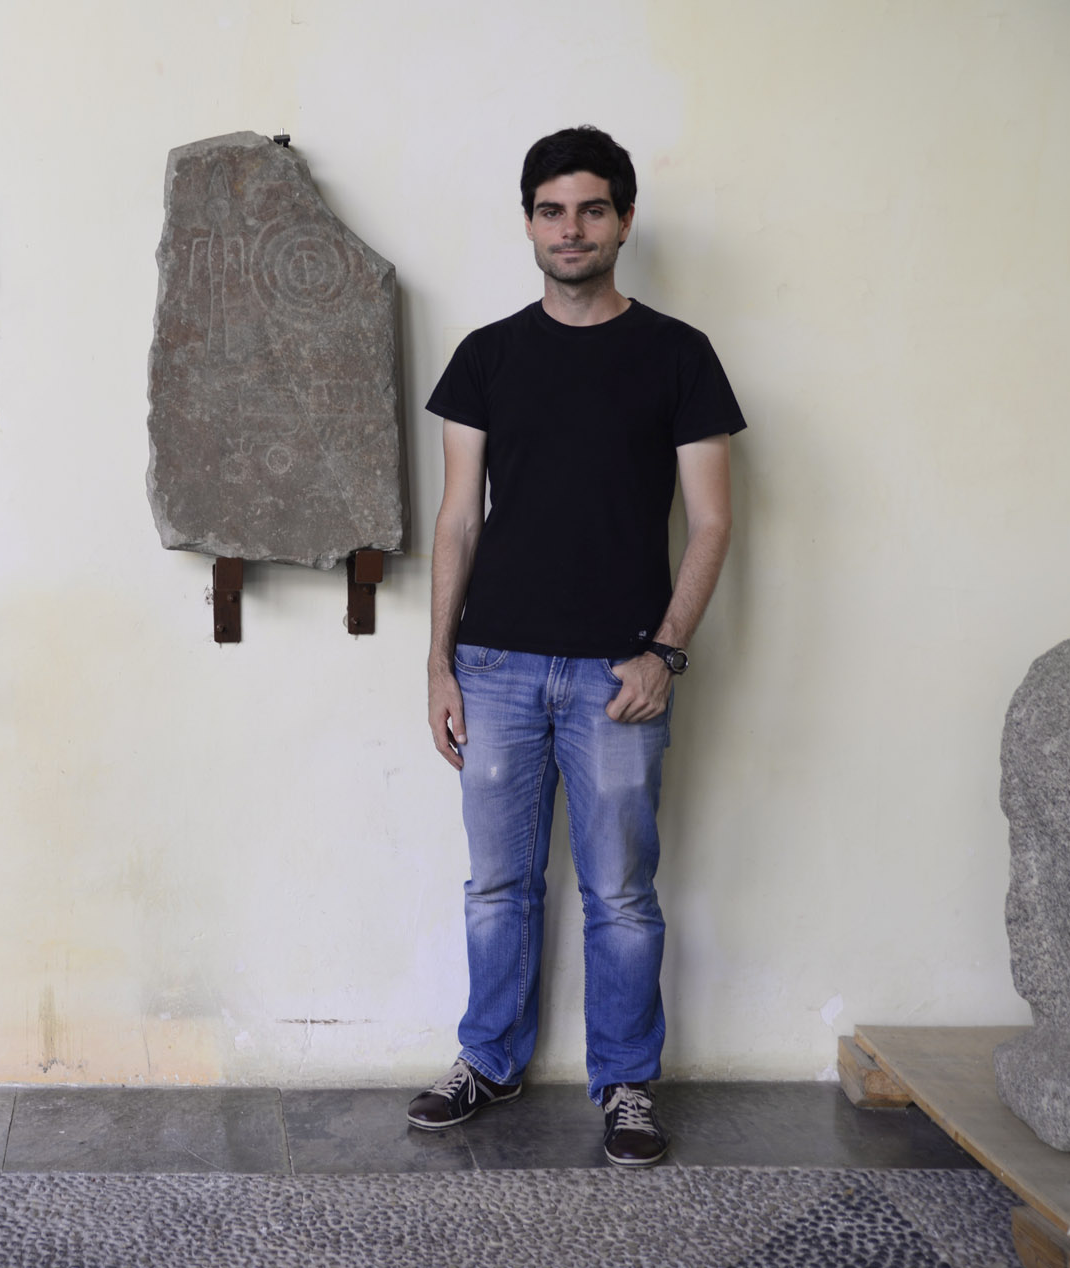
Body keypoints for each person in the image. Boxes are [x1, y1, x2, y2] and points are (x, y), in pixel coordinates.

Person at [408, 127, 745, 1166]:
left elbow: (712, 520)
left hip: (618, 673)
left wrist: (665, 650)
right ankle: (489, 1059)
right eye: (551, 210)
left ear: (623, 219)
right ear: (527, 222)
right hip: (496, 665)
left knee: (621, 893)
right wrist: (438, 662)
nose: (570, 228)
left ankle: (626, 1084)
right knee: (496, 885)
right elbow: (458, 519)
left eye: (591, 209)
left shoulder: (677, 354)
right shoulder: (487, 356)